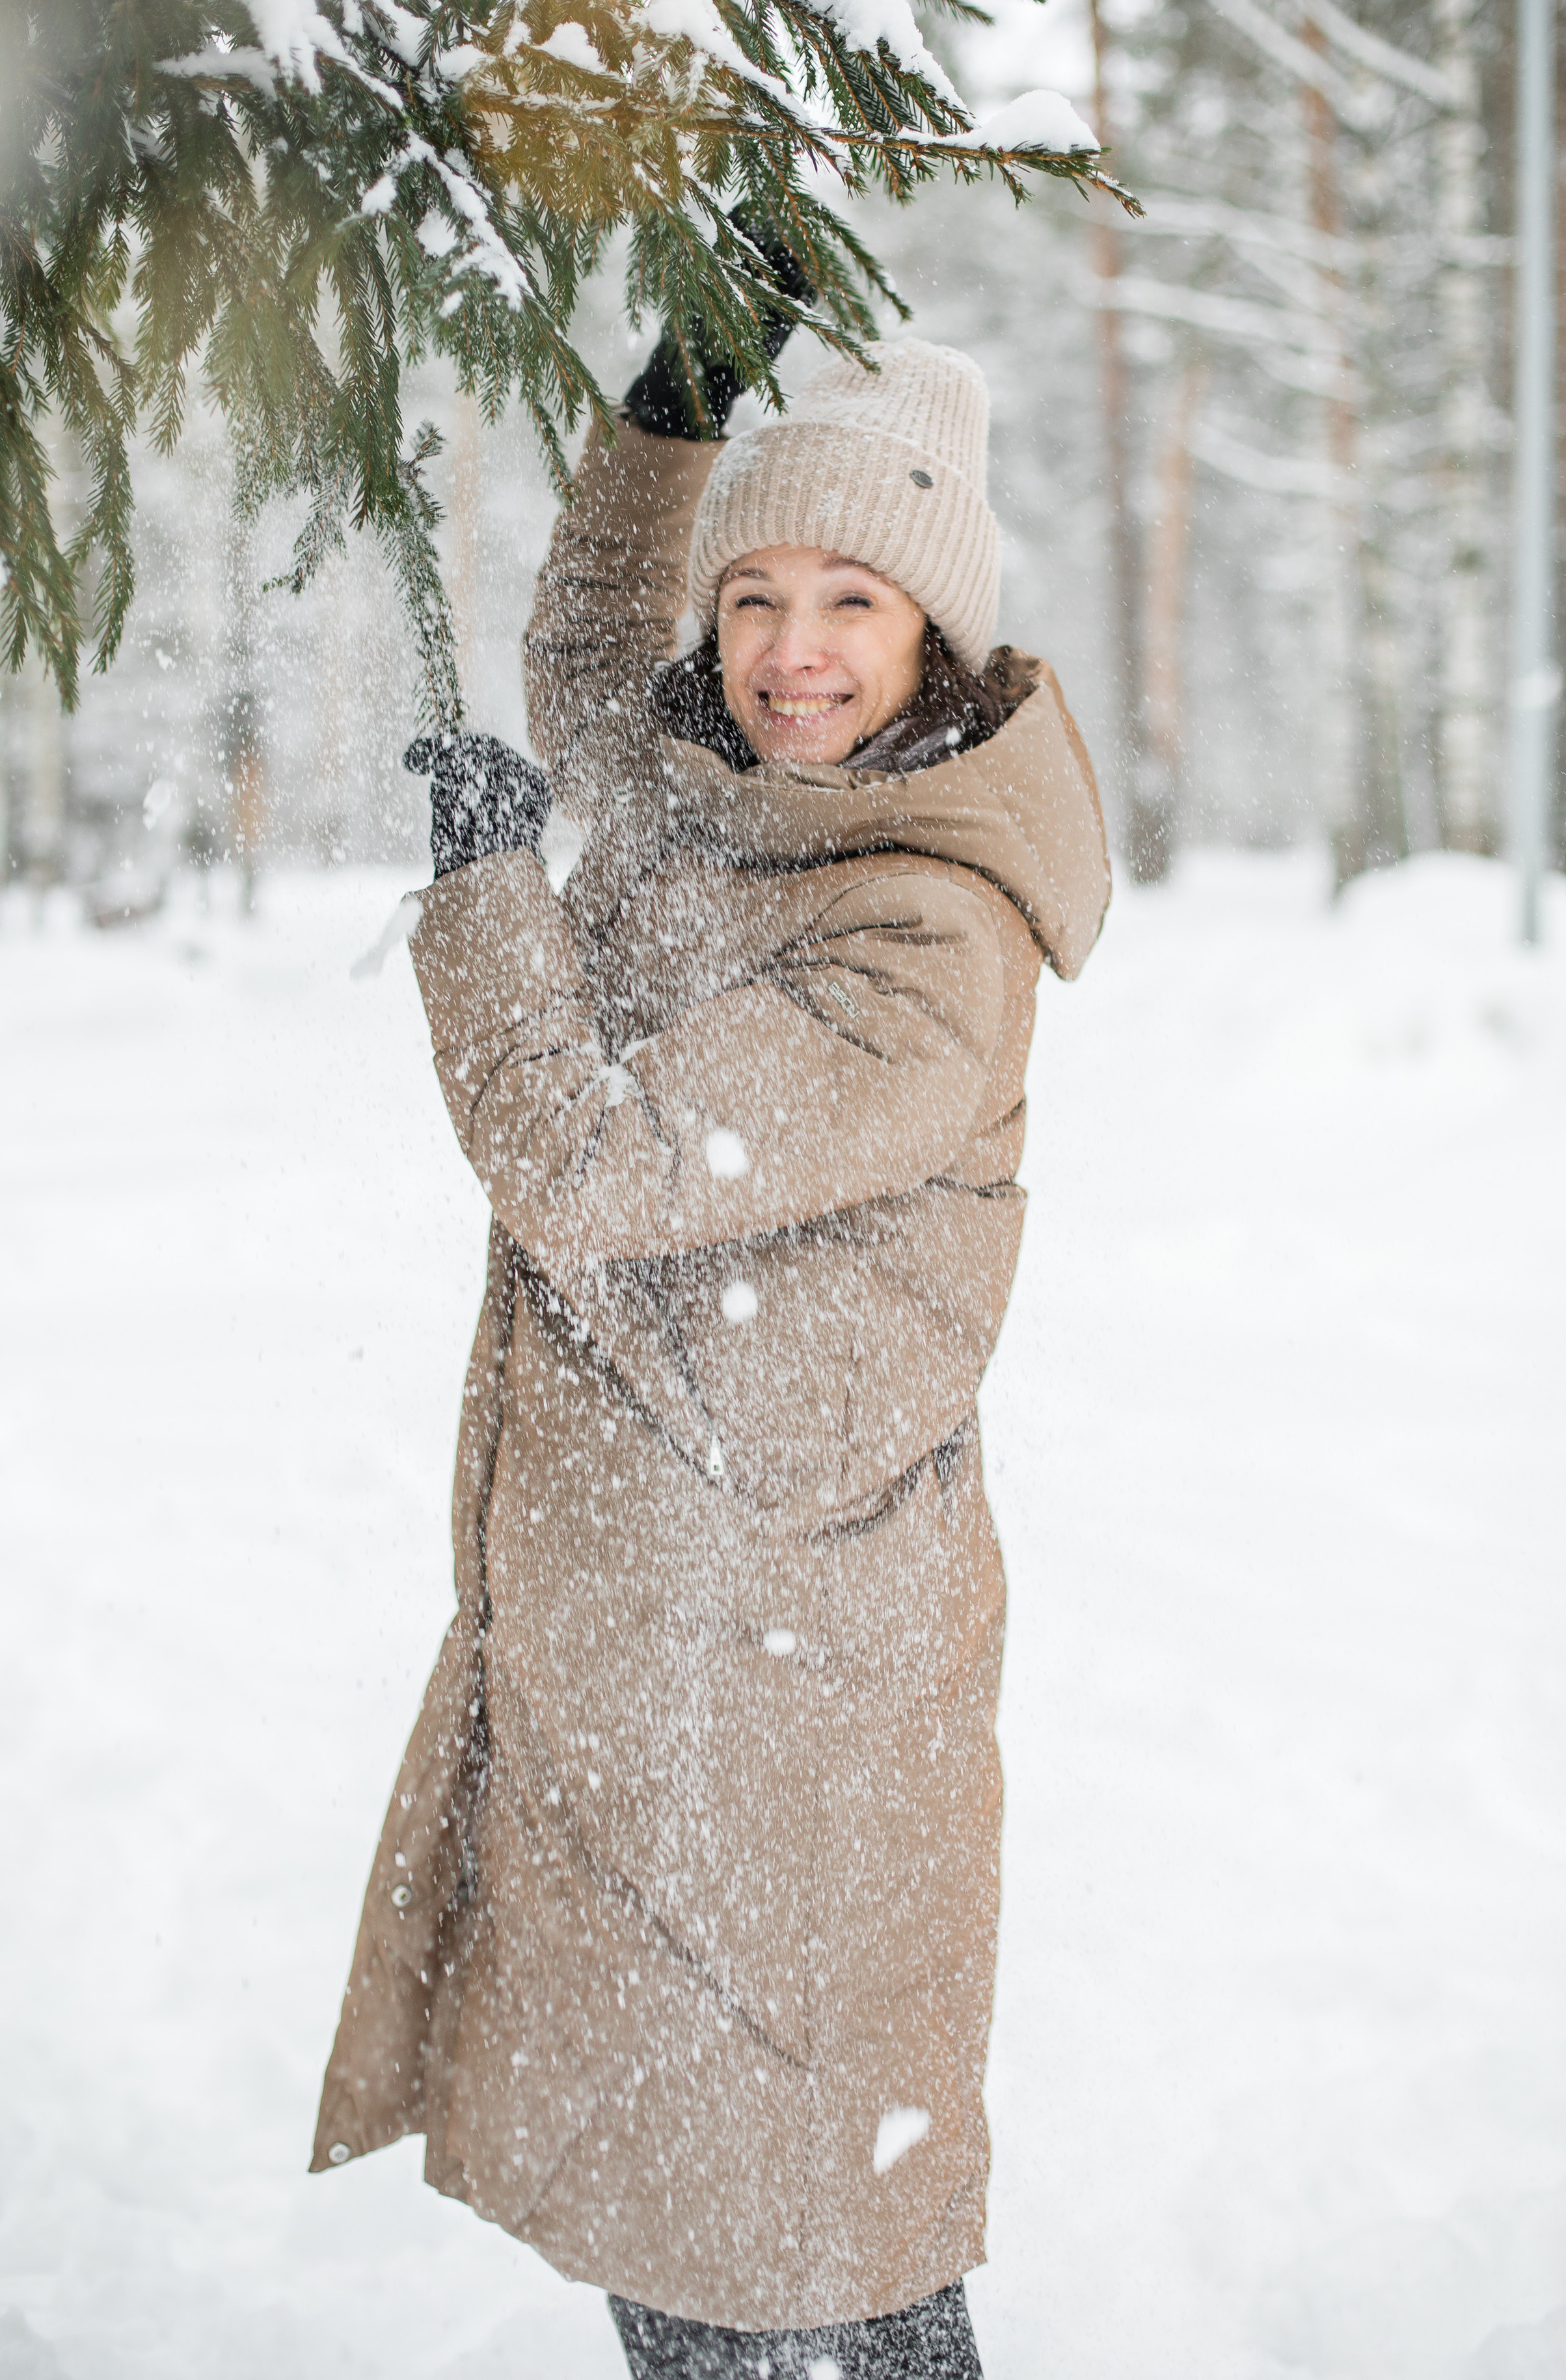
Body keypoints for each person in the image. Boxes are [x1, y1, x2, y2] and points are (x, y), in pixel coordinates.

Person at [312, 235, 1111, 2378]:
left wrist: (487, 892)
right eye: (755, 599)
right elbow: (597, 663)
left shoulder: (928, 929)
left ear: (938, 626)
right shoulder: (736, 799)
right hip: (668, 1649)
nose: (788, 652)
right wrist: (676, 416)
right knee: (710, 2236)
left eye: (849, 601)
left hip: (782, 1704)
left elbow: (579, 1158)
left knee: (798, 2258)